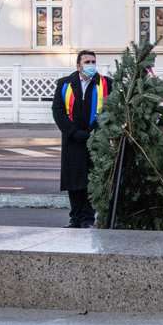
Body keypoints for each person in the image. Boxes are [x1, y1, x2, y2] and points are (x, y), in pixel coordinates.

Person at [51, 50, 112, 229]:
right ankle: (75, 218)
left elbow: (109, 110)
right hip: (73, 140)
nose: (91, 65)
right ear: (78, 65)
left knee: (91, 180)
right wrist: (72, 132)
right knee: (74, 181)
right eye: (87, 62)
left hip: (96, 140)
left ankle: (88, 218)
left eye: (93, 61)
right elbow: (58, 110)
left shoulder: (106, 84)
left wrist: (94, 132)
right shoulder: (65, 84)